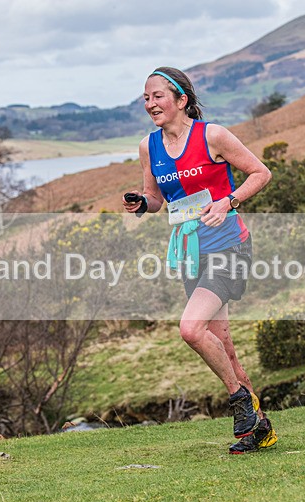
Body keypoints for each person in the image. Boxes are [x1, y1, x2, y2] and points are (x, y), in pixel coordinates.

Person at [123, 67, 276, 454]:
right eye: (146, 98)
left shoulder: (212, 136)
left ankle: (239, 401)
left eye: (158, 96)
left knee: (191, 329)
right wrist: (142, 204)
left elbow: (261, 173)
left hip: (229, 246)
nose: (150, 104)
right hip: (192, 253)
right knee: (225, 348)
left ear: (181, 100)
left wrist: (229, 201)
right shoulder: (149, 147)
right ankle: (259, 428)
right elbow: (156, 199)